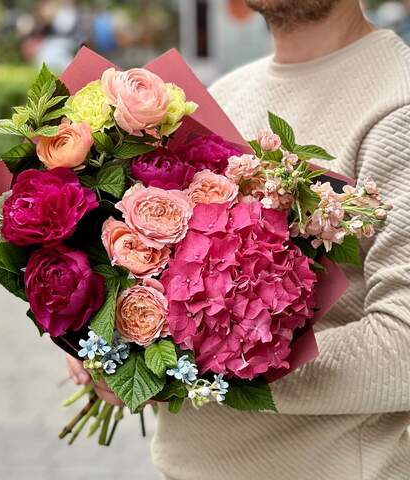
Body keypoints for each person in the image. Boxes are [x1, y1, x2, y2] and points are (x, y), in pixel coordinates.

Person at [66, 1, 410, 478]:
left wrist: (184, 371)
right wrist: (112, 343)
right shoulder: (223, 94)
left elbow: (402, 348)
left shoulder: (398, 106)